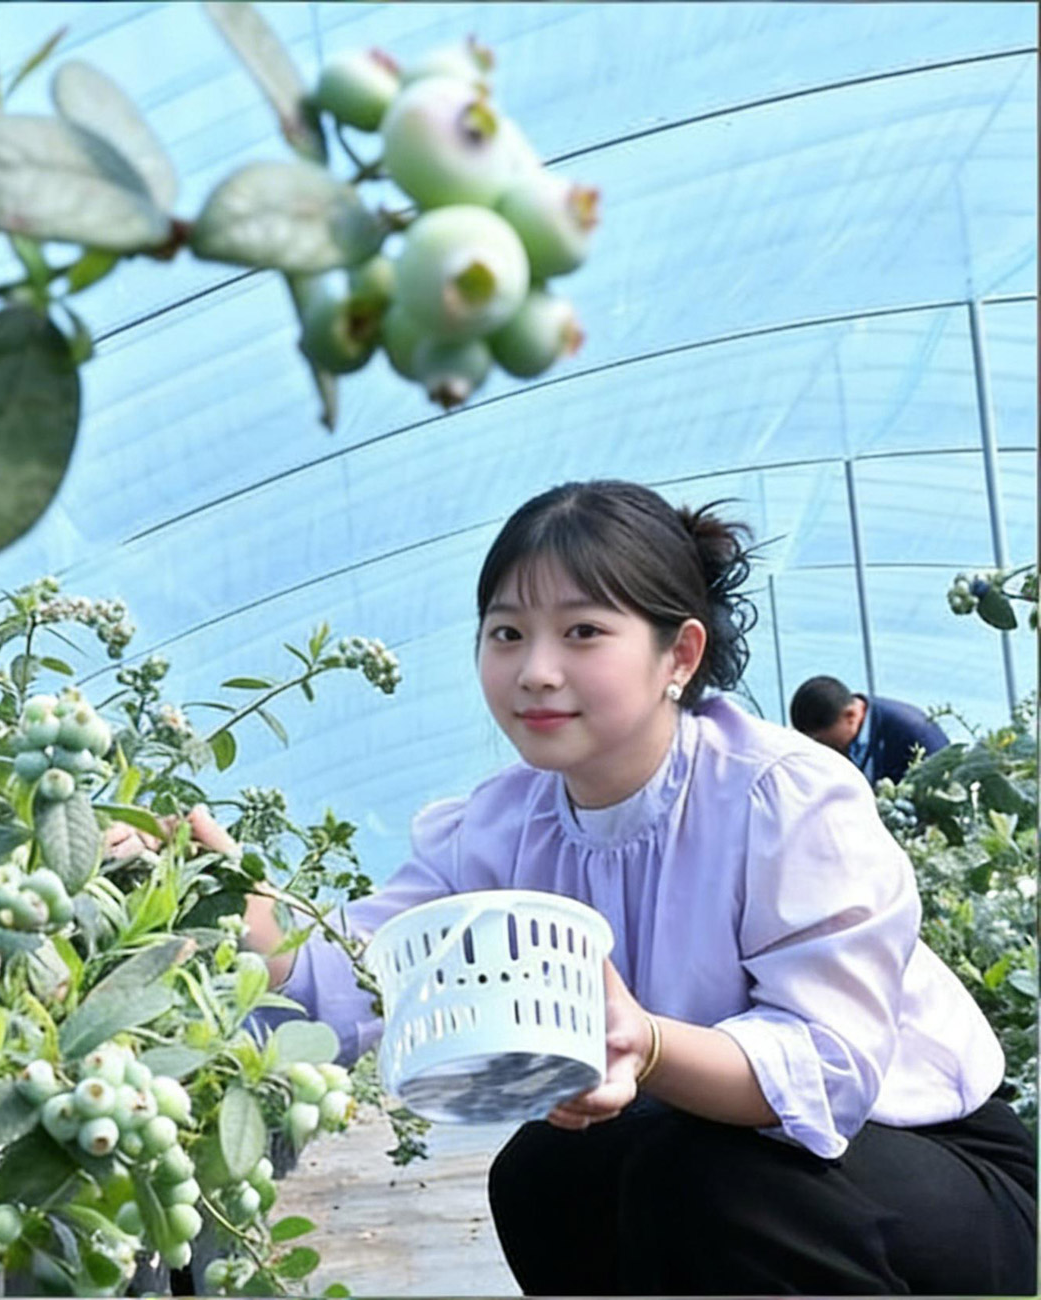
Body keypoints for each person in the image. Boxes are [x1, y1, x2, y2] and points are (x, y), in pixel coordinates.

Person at [111, 481, 1034, 1296]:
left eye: (583, 632)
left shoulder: (780, 797)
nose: (535, 670)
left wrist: (647, 1043)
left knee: (705, 1180)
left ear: (679, 655)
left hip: (932, 1168)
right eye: (507, 633)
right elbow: (362, 969)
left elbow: (827, 1069)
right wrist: (228, 903)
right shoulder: (502, 827)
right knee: (543, 1175)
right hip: (719, 1161)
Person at [789, 674, 951, 787]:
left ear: (850, 715)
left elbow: (946, 787)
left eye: (820, 741)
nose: (820, 748)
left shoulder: (914, 732)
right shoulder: (847, 730)